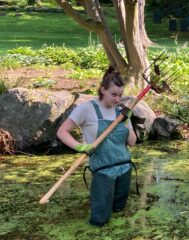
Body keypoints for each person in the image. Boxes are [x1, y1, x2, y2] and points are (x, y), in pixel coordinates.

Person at [57, 66, 137, 226]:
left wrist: (128, 121)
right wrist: (80, 147)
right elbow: (62, 132)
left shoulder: (120, 112)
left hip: (124, 168)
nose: (117, 99)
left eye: (120, 95)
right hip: (103, 171)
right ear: (102, 90)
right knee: (99, 220)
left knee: (119, 212)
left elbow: (132, 142)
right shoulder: (86, 109)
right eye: (113, 94)